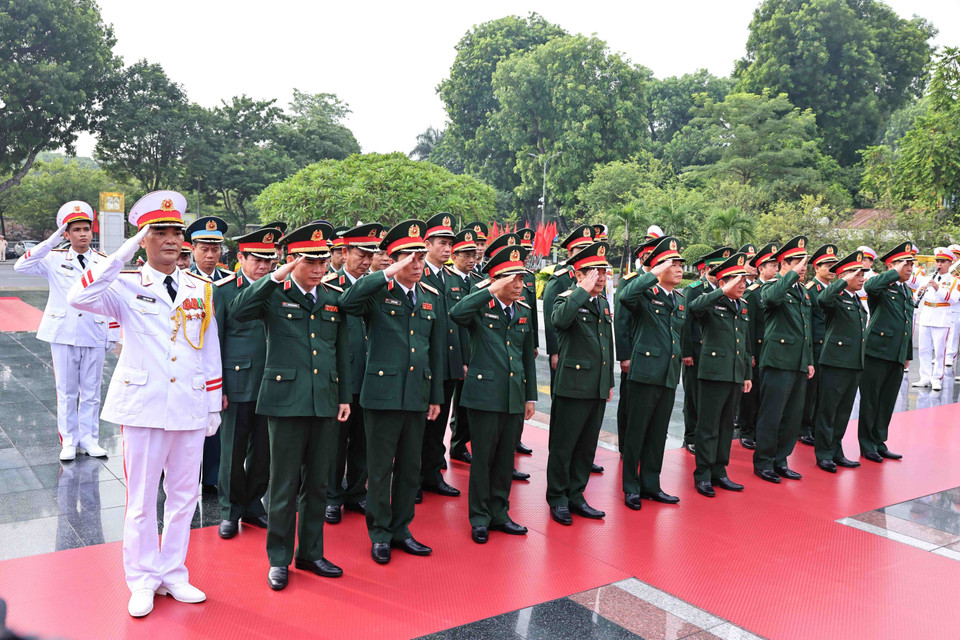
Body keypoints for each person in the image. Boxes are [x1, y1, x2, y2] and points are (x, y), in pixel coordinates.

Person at [66, 190, 222, 618]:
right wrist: (125, 250)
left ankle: (173, 572)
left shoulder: (200, 288)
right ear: (145, 238)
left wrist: (212, 404)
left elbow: (209, 348)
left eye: (176, 232)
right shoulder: (124, 284)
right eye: (160, 232)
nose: (171, 240)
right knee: (140, 499)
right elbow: (78, 297)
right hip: (144, 404)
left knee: (184, 495)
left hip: (189, 404)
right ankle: (141, 578)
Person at [228, 221, 350, 590]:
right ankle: (278, 558)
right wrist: (275, 274)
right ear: (293, 260)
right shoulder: (273, 294)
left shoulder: (331, 297)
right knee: (282, 485)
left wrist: (342, 396)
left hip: (324, 402)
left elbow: (338, 349)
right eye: (310, 262)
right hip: (284, 402)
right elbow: (239, 310)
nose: (318, 270)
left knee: (316, 484)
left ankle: (311, 553)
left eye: (322, 263)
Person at [340, 220, 443, 565]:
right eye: (409, 259)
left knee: (410, 467)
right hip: (382, 394)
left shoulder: (430, 297)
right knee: (380, 468)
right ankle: (380, 533)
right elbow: (347, 302)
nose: (417, 266)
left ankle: (402, 530)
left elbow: (436, 350)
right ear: (395, 260)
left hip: (417, 393)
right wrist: (385, 272)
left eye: (419, 259)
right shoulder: (377, 293)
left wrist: (436, 395)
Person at [14, 201, 117, 461]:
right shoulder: (53, 258)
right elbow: (21, 266)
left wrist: (113, 333)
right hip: (63, 331)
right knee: (67, 390)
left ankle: (90, 439)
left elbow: (113, 296)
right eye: (76, 230)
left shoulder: (103, 261)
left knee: (92, 391)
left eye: (86, 229)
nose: (83, 234)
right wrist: (51, 240)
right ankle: (69, 441)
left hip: (94, 330)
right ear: (66, 234)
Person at [450, 246, 537, 543]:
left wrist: (530, 396)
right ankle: (479, 517)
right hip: (484, 396)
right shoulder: (480, 307)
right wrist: (488, 290)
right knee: (483, 459)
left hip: (513, 395)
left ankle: (500, 513)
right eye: (511, 280)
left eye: (520, 280)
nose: (518, 286)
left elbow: (527, 357)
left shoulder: (523, 310)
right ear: (496, 281)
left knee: (504, 460)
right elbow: (456, 312)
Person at [211, 227, 281, 540]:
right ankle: (229, 510)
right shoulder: (223, 290)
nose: (264, 266)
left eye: (269, 259)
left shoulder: (278, 288)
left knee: (263, 451)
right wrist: (219, 387)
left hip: (272, 382)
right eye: (257, 259)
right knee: (232, 450)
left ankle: (254, 503)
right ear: (241, 258)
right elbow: (215, 342)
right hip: (236, 382)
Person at [547, 242, 614, 524]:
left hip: (596, 386)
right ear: (578, 275)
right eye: (593, 272)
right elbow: (559, 321)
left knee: (587, 446)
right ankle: (558, 497)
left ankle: (576, 494)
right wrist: (581, 291)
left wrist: (608, 381)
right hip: (573, 386)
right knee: (564, 446)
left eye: (603, 272)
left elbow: (605, 346)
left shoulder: (603, 302)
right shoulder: (566, 299)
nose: (600, 277)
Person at [617, 236, 686, 509]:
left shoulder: (680, 299)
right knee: (636, 432)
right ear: (658, 268)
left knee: (658, 433)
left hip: (668, 373)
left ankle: (651, 484)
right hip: (644, 372)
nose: (680, 269)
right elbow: (625, 296)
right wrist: (653, 272)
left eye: (681, 264)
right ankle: (631, 486)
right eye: (674, 264)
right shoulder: (644, 293)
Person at [324, 223, 383, 525]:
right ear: (344, 253)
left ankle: (357, 492)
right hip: (340, 376)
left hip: (370, 374)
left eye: (370, 255)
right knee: (335, 442)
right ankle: (332, 496)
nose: (366, 261)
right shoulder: (329, 285)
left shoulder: (377, 285)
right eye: (361, 254)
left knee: (363, 440)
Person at [690, 252, 752, 497]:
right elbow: (694, 307)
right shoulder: (711, 302)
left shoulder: (743, 306)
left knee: (727, 425)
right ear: (723, 282)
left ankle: (720, 471)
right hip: (714, 373)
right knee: (708, 426)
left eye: (744, 281)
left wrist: (747, 374)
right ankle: (703, 474)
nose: (743, 285)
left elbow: (744, 344)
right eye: (737, 281)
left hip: (735, 374)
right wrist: (720, 291)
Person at [753, 236, 813, 484]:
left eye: (804, 262)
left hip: (798, 362)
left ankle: (781, 459)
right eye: (798, 262)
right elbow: (772, 300)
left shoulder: (802, 292)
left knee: (792, 416)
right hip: (777, 361)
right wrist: (789, 276)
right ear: (782, 264)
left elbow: (806, 329)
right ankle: (764, 462)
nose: (803, 267)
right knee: (772, 414)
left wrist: (808, 360)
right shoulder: (771, 285)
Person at [418, 213, 463, 500]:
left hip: (447, 364)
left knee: (439, 425)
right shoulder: (417, 273)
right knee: (418, 427)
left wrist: (462, 360)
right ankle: (410, 477)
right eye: (442, 243)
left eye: (450, 244)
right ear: (427, 245)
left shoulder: (452, 277)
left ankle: (432, 475)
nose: (448, 249)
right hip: (422, 363)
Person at [859, 241, 916, 463]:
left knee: (887, 400)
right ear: (892, 265)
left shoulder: (904, 290)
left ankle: (879, 441)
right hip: (876, 350)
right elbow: (870, 288)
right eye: (906, 264)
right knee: (871, 399)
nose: (910, 269)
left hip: (896, 353)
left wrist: (907, 354)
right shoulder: (881, 285)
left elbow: (906, 324)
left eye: (911, 265)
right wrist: (893, 273)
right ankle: (867, 444)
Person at [186, 215, 230, 494]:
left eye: (216, 249)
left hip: (221, 361)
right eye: (205, 249)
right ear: (192, 249)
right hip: (188, 363)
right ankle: (185, 476)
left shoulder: (228, 281)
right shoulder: (181, 280)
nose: (211, 255)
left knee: (216, 424)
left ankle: (212, 478)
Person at [814, 250, 868, 473]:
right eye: (857, 274)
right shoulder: (835, 297)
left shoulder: (856, 300)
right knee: (829, 410)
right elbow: (822, 299)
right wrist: (843, 281)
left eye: (862, 274)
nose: (862, 278)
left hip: (853, 363)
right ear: (844, 277)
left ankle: (836, 450)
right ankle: (824, 454)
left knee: (843, 411)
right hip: (835, 362)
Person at [681, 246, 734, 454]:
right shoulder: (694, 289)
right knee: (694, 396)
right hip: (696, 351)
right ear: (707, 268)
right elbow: (686, 322)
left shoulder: (726, 290)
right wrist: (686, 352)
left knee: (710, 397)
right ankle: (691, 435)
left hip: (717, 352)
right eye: (716, 268)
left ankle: (709, 434)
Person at [614, 231, 660, 453]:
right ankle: (626, 445)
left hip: (653, 354)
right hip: (633, 352)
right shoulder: (629, 282)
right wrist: (624, 355)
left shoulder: (662, 283)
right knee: (629, 401)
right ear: (642, 258)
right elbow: (621, 321)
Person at [738, 242, 779, 450]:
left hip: (772, 351)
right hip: (757, 349)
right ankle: (747, 430)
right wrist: (750, 353)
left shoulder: (779, 290)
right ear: (761, 268)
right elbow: (748, 326)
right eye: (771, 265)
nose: (776, 269)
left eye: (777, 265)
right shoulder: (753, 292)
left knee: (767, 393)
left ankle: (760, 430)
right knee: (751, 393)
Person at [798, 244, 838, 446]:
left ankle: (816, 427)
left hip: (831, 347)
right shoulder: (810, 290)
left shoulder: (835, 290)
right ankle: (804, 428)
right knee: (810, 391)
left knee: (825, 391)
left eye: (834, 265)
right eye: (827, 265)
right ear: (816, 267)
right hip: (815, 345)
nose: (831, 269)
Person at [448, 228, 482, 464]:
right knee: (446, 405)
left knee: (468, 406)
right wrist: (460, 358)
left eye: (474, 255)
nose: (471, 260)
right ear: (454, 255)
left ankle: (460, 445)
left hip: (476, 352)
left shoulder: (479, 283)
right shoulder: (445, 280)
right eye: (466, 255)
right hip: (453, 352)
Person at [912, 247, 957, 391]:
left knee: (939, 351)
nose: (939, 264)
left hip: (942, 317)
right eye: (937, 261)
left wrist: (938, 288)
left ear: (950, 263)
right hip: (926, 316)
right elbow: (915, 299)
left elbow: (954, 299)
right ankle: (924, 377)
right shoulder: (927, 278)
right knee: (924, 350)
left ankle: (937, 378)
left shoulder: (954, 281)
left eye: (942, 261)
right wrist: (918, 293)